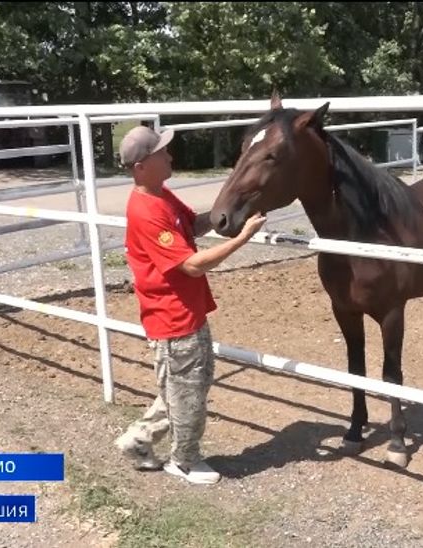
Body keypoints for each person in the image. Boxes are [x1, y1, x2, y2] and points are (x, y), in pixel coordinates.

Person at [113, 125, 266, 485]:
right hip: (172, 316)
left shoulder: (162, 195)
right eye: (161, 153)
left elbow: (192, 226)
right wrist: (243, 239)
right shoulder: (146, 210)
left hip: (186, 309)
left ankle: (139, 439)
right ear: (141, 167)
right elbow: (192, 265)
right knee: (187, 391)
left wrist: (232, 211)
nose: (170, 156)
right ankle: (184, 460)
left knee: (188, 385)